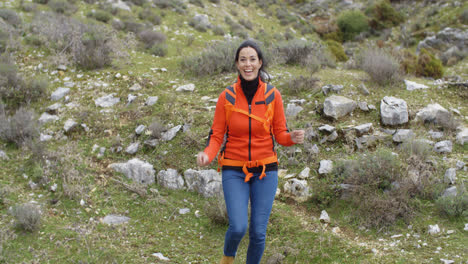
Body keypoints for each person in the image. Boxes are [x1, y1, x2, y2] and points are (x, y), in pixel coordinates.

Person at [196, 40, 304, 264]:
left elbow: (281, 134)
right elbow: (217, 135)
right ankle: (227, 260)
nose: (248, 64)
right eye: (243, 59)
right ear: (237, 64)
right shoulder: (226, 97)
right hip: (234, 169)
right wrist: (208, 154)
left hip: (266, 170)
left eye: (252, 59)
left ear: (260, 63)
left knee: (258, 232)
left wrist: (291, 138)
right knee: (238, 227)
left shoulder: (273, 95)